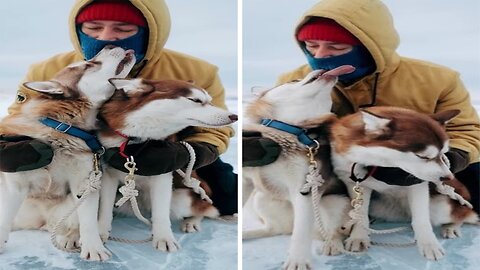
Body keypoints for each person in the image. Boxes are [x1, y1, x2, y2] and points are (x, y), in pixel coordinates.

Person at [0, 0, 237, 216]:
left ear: (149, 33)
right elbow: (18, 118)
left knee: (226, 196)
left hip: (165, 148)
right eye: (93, 27)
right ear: (77, 30)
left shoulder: (195, 72)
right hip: (80, 152)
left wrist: (185, 154)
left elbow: (214, 129)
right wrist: (8, 145)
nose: (107, 37)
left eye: (123, 29)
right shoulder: (51, 71)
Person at [243, 0, 480, 213]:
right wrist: (253, 142)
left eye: (336, 47)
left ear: (370, 46)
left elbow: (468, 131)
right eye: (311, 45)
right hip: (341, 170)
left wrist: (449, 158)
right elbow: (274, 123)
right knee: (226, 190)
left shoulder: (438, 79)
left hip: (425, 162)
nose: (321, 55)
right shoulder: (297, 81)